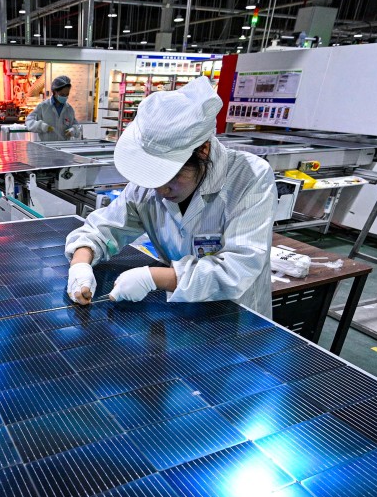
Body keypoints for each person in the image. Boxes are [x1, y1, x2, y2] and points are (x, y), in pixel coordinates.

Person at [65, 76, 276, 317]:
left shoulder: (249, 177)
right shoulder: (147, 186)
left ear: (203, 150)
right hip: (177, 311)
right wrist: (80, 265)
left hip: (233, 313)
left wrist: (154, 278)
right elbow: (102, 230)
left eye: (171, 177)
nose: (159, 190)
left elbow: (239, 268)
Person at [25, 75, 78, 141]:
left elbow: (76, 126)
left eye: (67, 95)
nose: (65, 97)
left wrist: (73, 130)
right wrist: (41, 126)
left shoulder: (69, 109)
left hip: (64, 148)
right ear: (55, 91)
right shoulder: (43, 107)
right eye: (62, 95)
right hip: (47, 147)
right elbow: (29, 121)